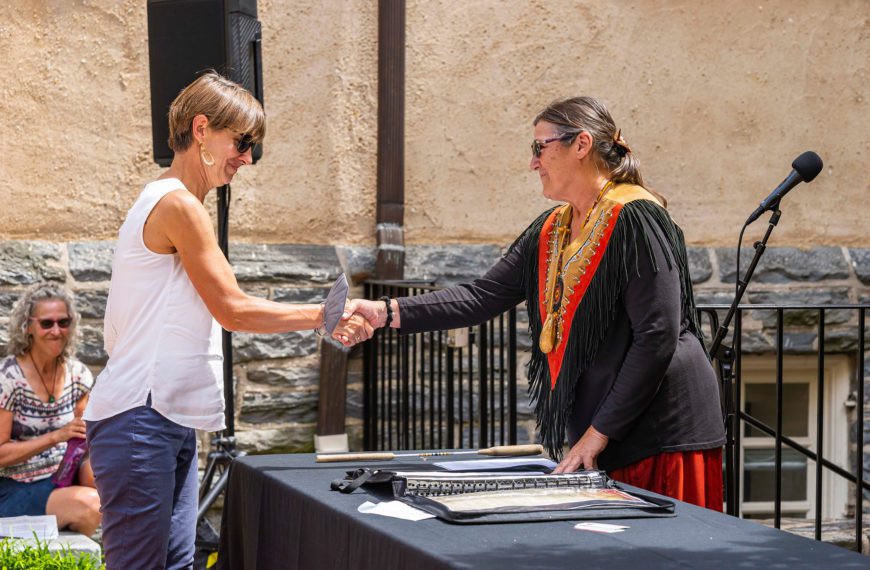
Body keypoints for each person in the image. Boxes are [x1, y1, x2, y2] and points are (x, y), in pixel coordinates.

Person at [342, 96, 726, 510]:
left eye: (539, 147)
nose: (533, 163)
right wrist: (384, 312)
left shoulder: (637, 217)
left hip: (660, 433)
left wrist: (597, 433)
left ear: (581, 145)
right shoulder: (553, 227)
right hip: (607, 431)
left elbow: (657, 335)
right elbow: (482, 296)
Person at [83, 71, 372, 569]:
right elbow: (231, 309)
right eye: (241, 142)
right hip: (140, 420)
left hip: (157, 420)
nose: (247, 158)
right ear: (201, 130)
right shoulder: (177, 205)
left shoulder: (172, 201)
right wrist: (324, 316)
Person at [0, 283, 101, 535]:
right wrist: (57, 436)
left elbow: (83, 445)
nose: (56, 331)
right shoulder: (9, 378)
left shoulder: (78, 375)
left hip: (62, 481)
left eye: (63, 322)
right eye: (47, 323)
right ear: (28, 327)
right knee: (91, 505)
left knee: (105, 479)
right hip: (14, 486)